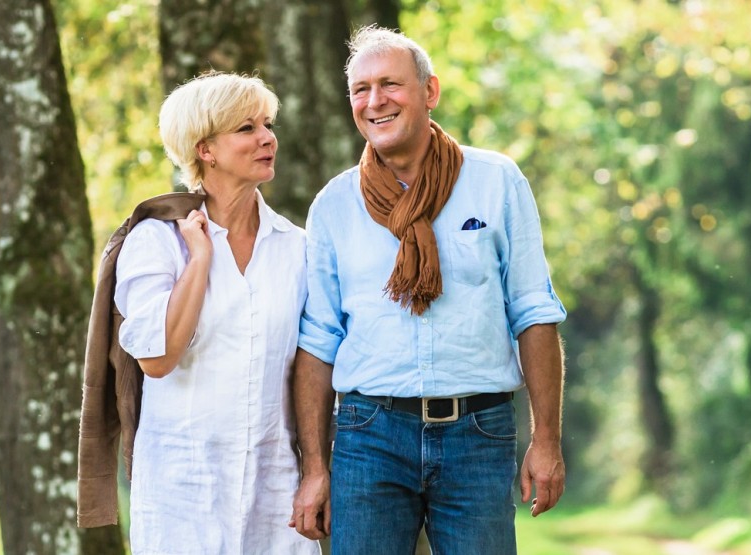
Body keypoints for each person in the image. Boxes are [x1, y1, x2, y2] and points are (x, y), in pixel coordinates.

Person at [287, 26, 568, 554]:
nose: (374, 102)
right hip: (367, 434)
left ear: (430, 92)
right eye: (360, 90)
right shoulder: (334, 205)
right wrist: (314, 467)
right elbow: (319, 339)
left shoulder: (497, 181)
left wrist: (546, 439)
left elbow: (533, 311)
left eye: (390, 84)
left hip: (479, 433)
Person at [103, 71, 320, 554]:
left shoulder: (296, 247)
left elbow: (311, 366)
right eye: (246, 129)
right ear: (205, 149)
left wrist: (316, 470)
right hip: (183, 491)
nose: (267, 138)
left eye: (266, 124)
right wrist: (200, 260)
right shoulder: (156, 241)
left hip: (275, 488)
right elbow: (157, 358)